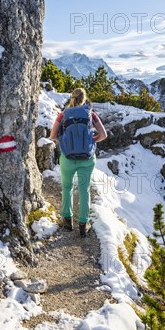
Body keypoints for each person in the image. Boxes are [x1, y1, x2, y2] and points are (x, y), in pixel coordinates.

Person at [50, 88, 107, 237]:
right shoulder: (91, 114)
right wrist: (91, 140)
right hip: (86, 160)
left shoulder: (63, 115)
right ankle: (83, 224)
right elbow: (103, 135)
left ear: (71, 98)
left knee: (67, 187)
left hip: (67, 158)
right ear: (84, 98)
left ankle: (67, 221)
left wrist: (66, 142)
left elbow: (52, 135)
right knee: (84, 190)